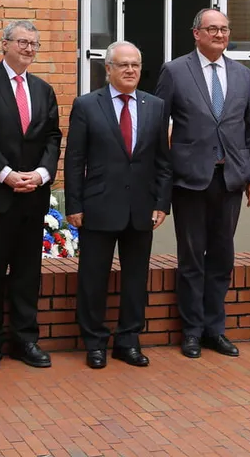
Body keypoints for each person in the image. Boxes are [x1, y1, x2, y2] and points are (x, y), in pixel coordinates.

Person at [155, 7, 250, 359]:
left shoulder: (243, 76)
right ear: (196, 33)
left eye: (225, 29)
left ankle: (215, 329)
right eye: (212, 29)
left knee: (222, 257)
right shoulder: (174, 71)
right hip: (190, 181)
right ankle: (191, 331)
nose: (219, 35)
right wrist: (163, 181)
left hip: (230, 179)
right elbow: (159, 129)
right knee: (191, 259)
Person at [65, 41, 171, 369]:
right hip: (98, 206)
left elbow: (163, 161)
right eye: (122, 64)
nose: (129, 70)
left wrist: (162, 203)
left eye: (135, 65)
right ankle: (95, 343)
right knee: (93, 278)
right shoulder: (86, 105)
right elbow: (74, 159)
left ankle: (128, 341)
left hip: (141, 208)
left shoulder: (155, 106)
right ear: (107, 68)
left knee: (136, 279)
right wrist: (74, 204)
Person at [0, 21, 62, 371]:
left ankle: (25, 339)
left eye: (34, 44)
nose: (29, 49)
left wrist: (41, 174)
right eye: (22, 42)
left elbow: (52, 136)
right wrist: (6, 175)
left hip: (32, 195)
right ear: (5, 45)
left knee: (26, 271)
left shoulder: (43, 89)